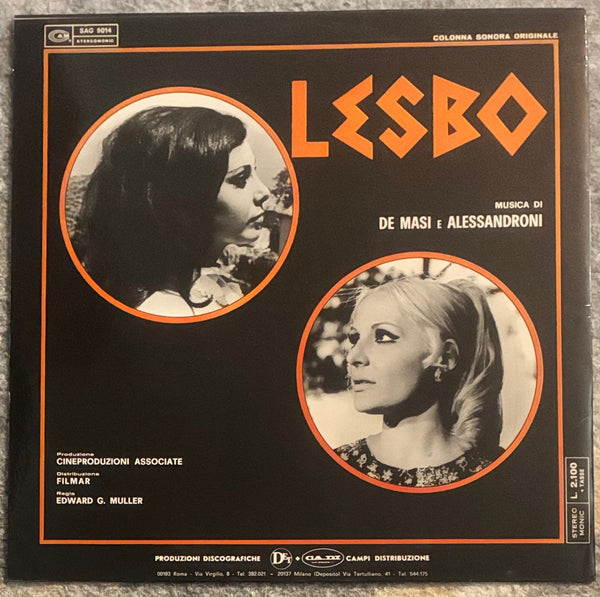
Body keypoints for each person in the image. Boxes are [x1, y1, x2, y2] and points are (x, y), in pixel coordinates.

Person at [73, 105, 279, 316]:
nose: (264, 192)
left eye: (254, 172)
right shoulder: (163, 310)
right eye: (240, 178)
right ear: (183, 200)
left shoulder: (205, 286)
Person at [335, 276, 504, 487]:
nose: (353, 356)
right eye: (354, 338)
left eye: (384, 337)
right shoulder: (335, 468)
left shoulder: (498, 474)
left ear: (446, 357)